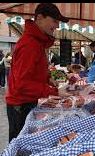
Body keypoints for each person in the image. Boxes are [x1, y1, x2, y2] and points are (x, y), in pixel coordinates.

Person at [5, 3, 71, 142]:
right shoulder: (30, 44)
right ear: (40, 18)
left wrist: (48, 78)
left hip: (26, 101)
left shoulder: (37, 42)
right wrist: (55, 92)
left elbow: (32, 71)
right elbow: (22, 84)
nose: (57, 26)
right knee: (19, 146)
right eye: (54, 21)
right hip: (20, 105)